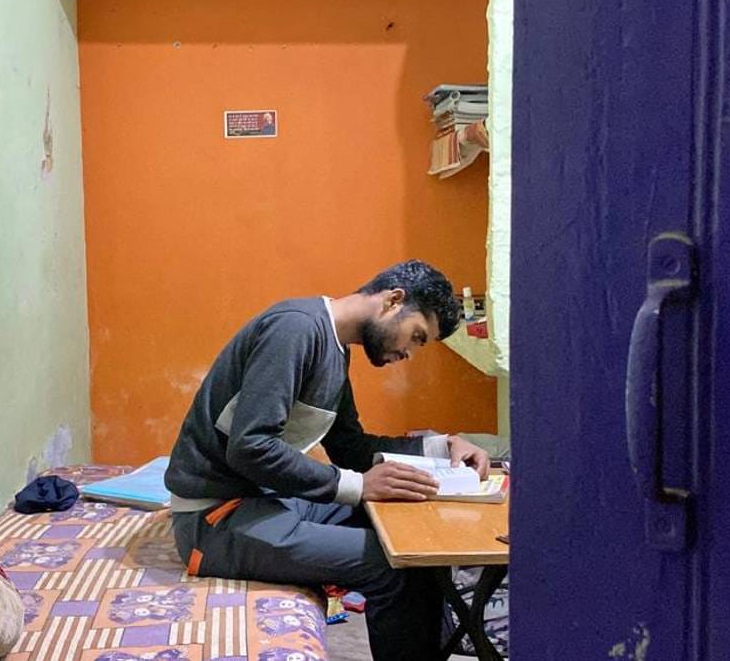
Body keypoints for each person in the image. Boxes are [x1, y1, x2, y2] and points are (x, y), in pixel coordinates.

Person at [165, 260, 490, 660]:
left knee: (411, 539)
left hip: (268, 500)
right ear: (393, 300)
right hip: (216, 520)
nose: (408, 353)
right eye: (416, 337)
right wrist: (357, 485)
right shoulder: (296, 329)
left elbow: (351, 448)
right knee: (394, 568)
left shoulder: (334, 351)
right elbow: (250, 446)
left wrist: (444, 445)